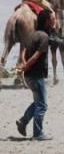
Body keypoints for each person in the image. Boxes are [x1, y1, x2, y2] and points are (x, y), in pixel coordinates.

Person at [15, 9, 54, 141]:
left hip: (29, 76)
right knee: (42, 105)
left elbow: (23, 51)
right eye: (52, 19)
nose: (54, 21)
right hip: (36, 76)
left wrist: (24, 65)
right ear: (47, 21)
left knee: (38, 102)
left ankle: (22, 122)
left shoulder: (32, 35)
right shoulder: (44, 37)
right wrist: (26, 65)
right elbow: (36, 57)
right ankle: (38, 134)